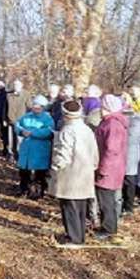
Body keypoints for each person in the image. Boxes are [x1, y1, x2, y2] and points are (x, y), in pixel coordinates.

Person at [48, 100, 99, 247]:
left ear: (65, 114)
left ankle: (73, 239)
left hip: (70, 175)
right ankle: (79, 236)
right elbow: (95, 152)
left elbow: (63, 155)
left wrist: (55, 167)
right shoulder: (87, 129)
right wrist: (93, 166)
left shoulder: (67, 131)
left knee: (69, 208)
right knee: (81, 208)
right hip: (85, 174)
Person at [94, 94, 128, 240]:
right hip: (112, 167)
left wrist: (103, 169)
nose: (100, 110)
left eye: (102, 107)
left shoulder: (112, 125)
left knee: (106, 199)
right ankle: (106, 225)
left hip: (110, 169)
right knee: (105, 198)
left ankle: (108, 228)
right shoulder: (109, 122)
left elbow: (111, 150)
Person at [15, 95, 55, 198]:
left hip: (40, 150)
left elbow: (49, 132)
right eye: (34, 106)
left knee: (40, 174)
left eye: (39, 106)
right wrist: (21, 131)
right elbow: (17, 125)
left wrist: (32, 132)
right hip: (26, 149)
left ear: (43, 107)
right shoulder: (26, 117)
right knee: (24, 172)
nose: (36, 108)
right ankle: (24, 190)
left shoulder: (47, 119)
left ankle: (38, 192)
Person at [121, 92, 140, 216]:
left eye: (125, 99)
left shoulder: (139, 118)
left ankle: (129, 206)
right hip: (121, 151)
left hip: (130, 151)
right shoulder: (125, 115)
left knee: (129, 179)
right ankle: (122, 204)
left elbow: (133, 136)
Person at [6, 79, 31, 161]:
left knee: (19, 140)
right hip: (10, 120)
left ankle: (20, 156)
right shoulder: (8, 95)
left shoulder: (26, 94)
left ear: (21, 85)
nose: (16, 86)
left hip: (21, 121)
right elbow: (4, 108)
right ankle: (11, 155)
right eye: (15, 85)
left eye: (18, 85)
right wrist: (4, 119)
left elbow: (29, 107)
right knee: (10, 140)